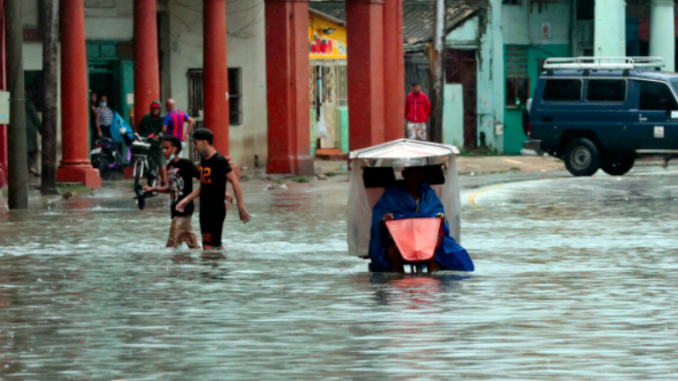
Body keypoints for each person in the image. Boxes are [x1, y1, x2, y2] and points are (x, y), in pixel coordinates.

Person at [369, 166, 474, 273]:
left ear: (421, 176)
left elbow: (437, 212)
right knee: (394, 252)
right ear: (404, 175)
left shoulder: (428, 193)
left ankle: (431, 279)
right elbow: (380, 214)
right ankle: (398, 282)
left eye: (417, 175)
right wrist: (384, 219)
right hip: (399, 237)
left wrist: (440, 218)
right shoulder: (392, 192)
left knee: (432, 250)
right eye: (411, 175)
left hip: (424, 236)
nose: (414, 179)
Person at [176, 129, 250, 250]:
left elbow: (235, 182)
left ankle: (219, 268)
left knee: (207, 249)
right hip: (204, 210)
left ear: (204, 142)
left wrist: (241, 208)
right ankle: (225, 267)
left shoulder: (219, 160)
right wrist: (187, 199)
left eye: (196, 143)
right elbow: (205, 185)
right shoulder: (204, 160)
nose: (195, 147)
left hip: (214, 211)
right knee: (216, 246)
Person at [144, 136, 205, 248]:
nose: (164, 151)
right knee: (194, 246)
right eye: (162, 148)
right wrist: (153, 189)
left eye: (167, 148)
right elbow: (171, 188)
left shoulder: (186, 164)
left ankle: (174, 265)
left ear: (175, 149)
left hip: (183, 209)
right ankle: (207, 260)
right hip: (176, 209)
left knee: (171, 246)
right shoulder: (169, 166)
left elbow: (204, 179)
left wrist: (218, 191)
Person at [137, 100, 166, 185]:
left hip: (157, 142)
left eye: (156, 109)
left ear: (159, 109)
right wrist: (142, 136)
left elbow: (165, 129)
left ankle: (164, 181)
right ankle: (139, 178)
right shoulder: (146, 117)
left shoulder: (163, 118)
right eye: (153, 108)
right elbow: (140, 128)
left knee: (160, 161)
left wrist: (159, 135)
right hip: (147, 140)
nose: (155, 110)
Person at [25, 99, 42, 176]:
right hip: (31, 128)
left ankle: (32, 166)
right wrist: (41, 129)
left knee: (23, 149)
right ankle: (33, 167)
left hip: (18, 129)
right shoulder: (29, 102)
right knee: (33, 150)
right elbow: (36, 117)